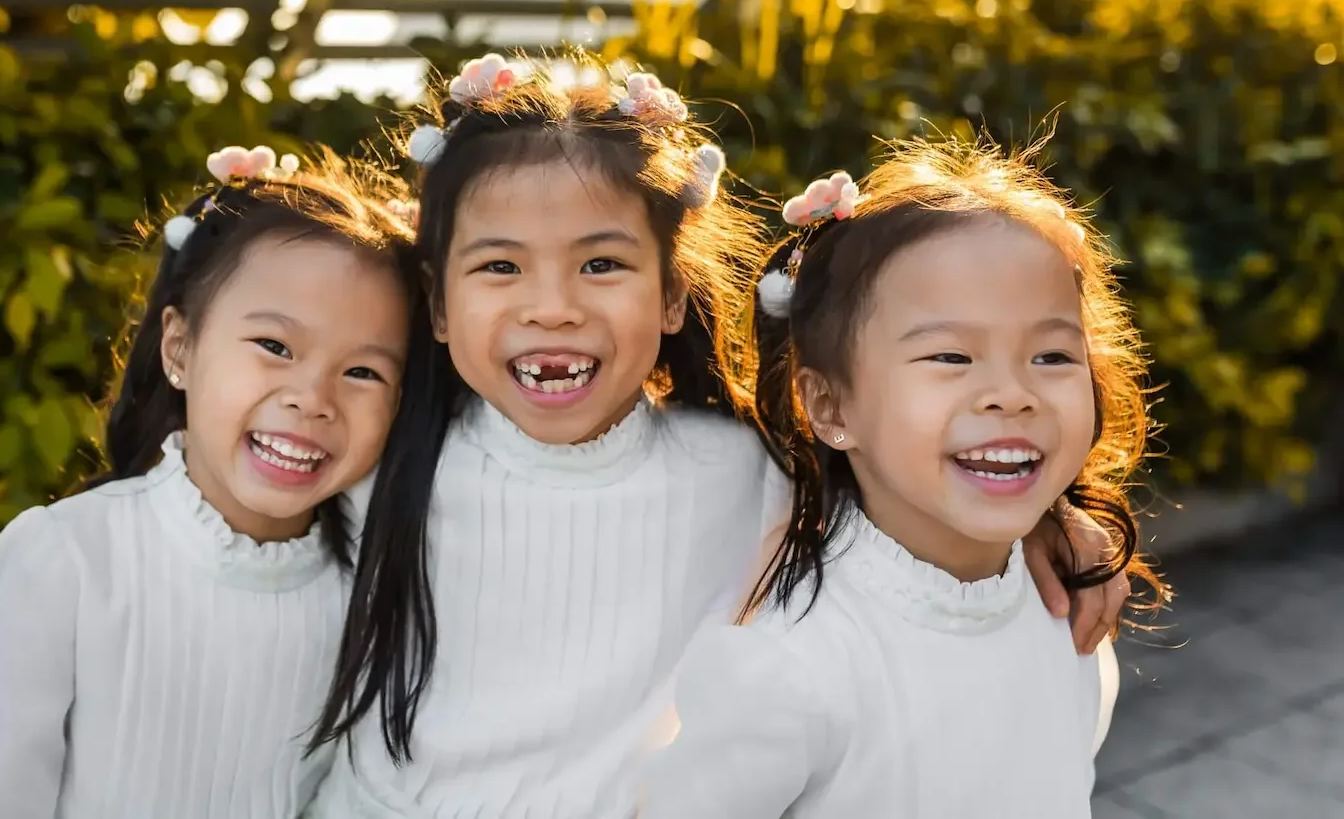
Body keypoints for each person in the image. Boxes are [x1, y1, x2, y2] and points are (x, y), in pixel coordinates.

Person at [304, 54, 1133, 819]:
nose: (550, 306)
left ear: (672, 294)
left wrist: (1051, 520)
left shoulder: (745, 470)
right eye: (499, 266)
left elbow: (903, 491)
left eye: (601, 265)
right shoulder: (382, 460)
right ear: (439, 305)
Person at [640, 137, 1168, 818]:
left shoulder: (1065, 605)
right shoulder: (792, 668)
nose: (1011, 393)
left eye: (1051, 355)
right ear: (829, 405)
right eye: (951, 355)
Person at [0, 148, 415, 819]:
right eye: (275, 346)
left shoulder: (372, 588)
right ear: (179, 348)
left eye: (364, 372)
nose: (313, 398)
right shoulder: (67, 559)